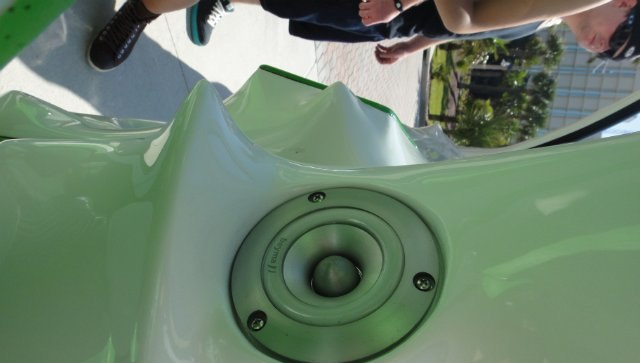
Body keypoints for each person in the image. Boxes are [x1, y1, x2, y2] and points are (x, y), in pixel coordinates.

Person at [87, 0, 640, 72]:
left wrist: (412, 43)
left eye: (612, 56)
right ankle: (139, 13)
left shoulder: (548, 21)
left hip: (388, 18)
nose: (605, 50)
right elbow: (465, 19)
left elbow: (461, 30)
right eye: (619, 40)